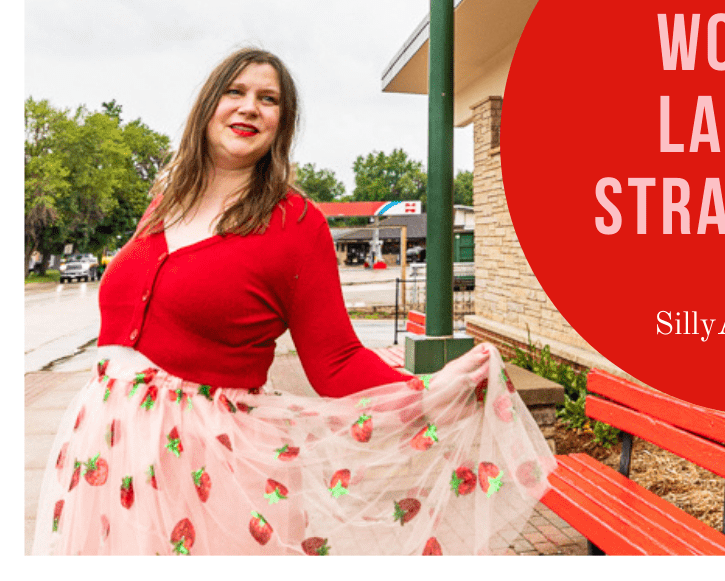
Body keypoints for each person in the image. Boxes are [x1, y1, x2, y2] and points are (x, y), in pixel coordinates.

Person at [32, 47, 555, 556]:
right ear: (207, 106)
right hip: (106, 445)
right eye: (234, 92)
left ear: (282, 125)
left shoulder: (295, 223)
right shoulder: (165, 201)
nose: (249, 107)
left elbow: (336, 362)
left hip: (205, 468)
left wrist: (431, 389)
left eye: (269, 99)